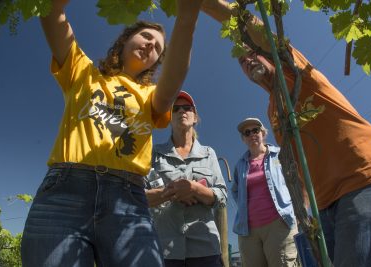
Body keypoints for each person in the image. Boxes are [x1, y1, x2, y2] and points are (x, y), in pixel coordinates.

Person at [201, 1, 371, 266]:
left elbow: (253, 27)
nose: (246, 60)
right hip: (326, 205)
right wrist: (306, 214)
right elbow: (295, 161)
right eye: (240, 61)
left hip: (363, 180)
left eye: (250, 52)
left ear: (266, 52)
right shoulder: (273, 108)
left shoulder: (294, 73)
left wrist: (205, 4)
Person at [21, 0, 204, 266]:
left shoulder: (151, 95)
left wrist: (187, 18)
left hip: (127, 199)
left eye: (158, 48)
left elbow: (175, 77)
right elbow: (52, 12)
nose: (151, 44)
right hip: (64, 193)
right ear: (126, 38)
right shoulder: (83, 72)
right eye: (146, 36)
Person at [145, 91, 227, 267]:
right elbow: (139, 196)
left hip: (205, 249)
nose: (182, 111)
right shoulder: (154, 153)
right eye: (175, 108)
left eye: (187, 108)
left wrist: (195, 189)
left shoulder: (208, 153)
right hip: (164, 249)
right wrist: (171, 192)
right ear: (168, 117)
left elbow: (221, 196)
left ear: (195, 117)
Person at [232, 117, 298, 267]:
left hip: (279, 225)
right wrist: (244, 207)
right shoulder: (240, 165)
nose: (252, 134)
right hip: (248, 231)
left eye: (255, 130)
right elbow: (235, 191)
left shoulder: (279, 155)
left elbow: (294, 181)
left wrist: (295, 209)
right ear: (243, 139)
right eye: (247, 132)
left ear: (263, 133)